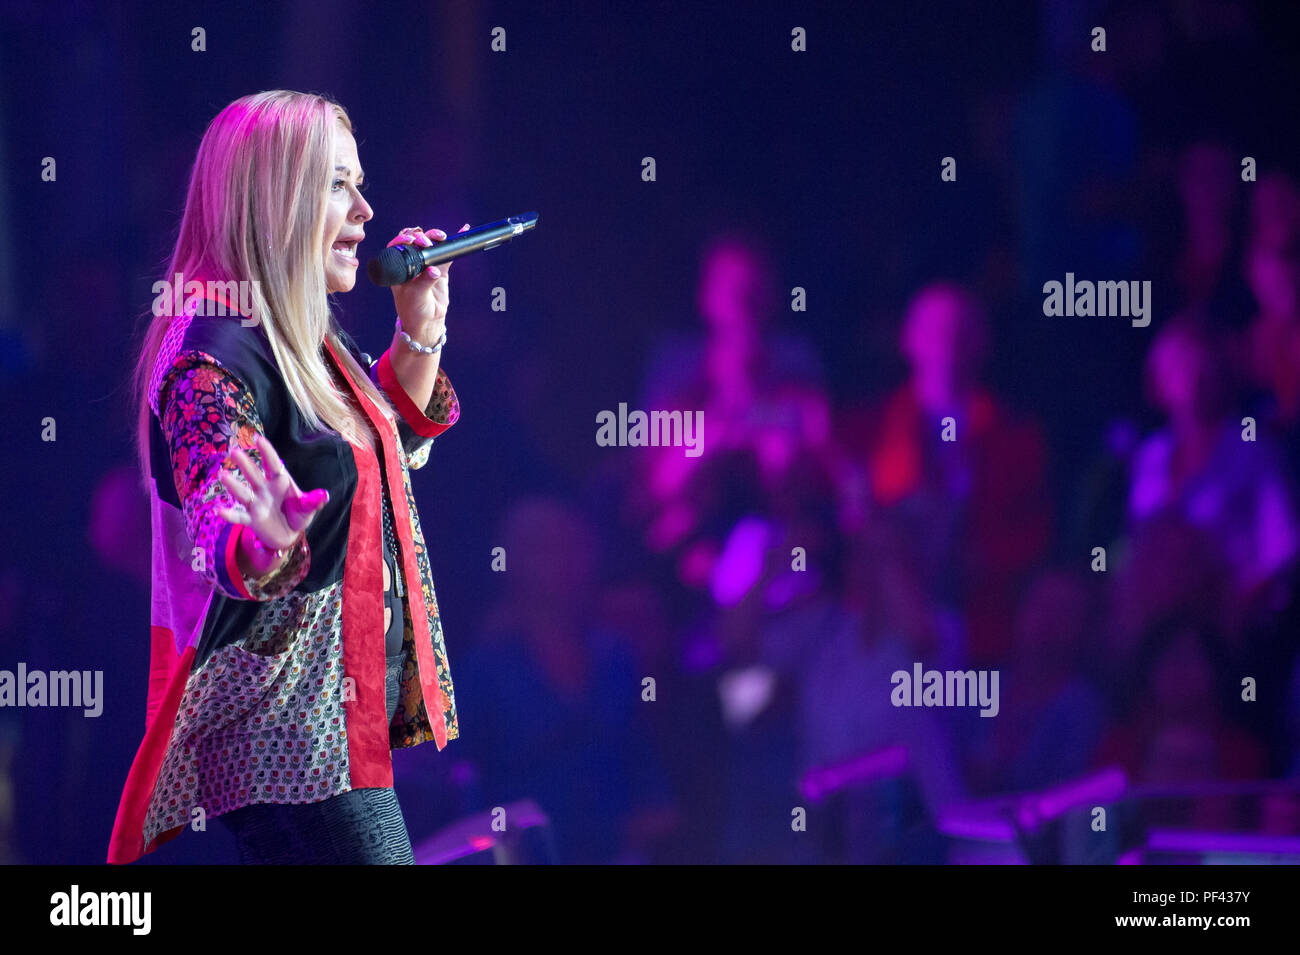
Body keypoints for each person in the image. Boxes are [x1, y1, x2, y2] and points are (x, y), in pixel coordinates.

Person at [108, 90, 469, 864]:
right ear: (274, 198)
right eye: (338, 184)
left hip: (325, 742)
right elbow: (221, 515)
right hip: (291, 753)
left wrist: (421, 330)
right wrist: (260, 541)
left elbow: (367, 470)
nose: (367, 209)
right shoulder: (215, 343)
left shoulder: (294, 340)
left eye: (360, 183)